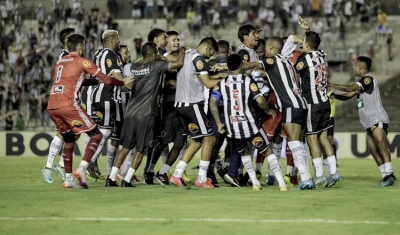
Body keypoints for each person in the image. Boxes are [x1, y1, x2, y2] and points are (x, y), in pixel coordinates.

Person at [46, 34, 132, 189]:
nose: (84, 49)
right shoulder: (82, 61)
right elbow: (108, 80)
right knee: (97, 134)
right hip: (69, 104)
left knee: (69, 139)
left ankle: (68, 179)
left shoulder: (61, 61)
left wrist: (95, 81)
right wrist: (123, 82)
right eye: (83, 46)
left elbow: (78, 80)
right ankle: (83, 167)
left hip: (52, 104)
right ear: (79, 46)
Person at [105, 42, 185, 187]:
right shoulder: (156, 66)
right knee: (141, 149)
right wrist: (183, 50)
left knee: (126, 147)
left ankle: (111, 178)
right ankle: (127, 180)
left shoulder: (134, 67)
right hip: (146, 114)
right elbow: (179, 63)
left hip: (130, 113)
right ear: (154, 54)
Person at [209, 54, 288, 191]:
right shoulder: (248, 81)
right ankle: (282, 184)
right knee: (267, 151)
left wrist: (218, 122)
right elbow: (260, 100)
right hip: (250, 126)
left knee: (244, 152)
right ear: (241, 65)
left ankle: (255, 183)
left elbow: (212, 102)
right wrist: (269, 110)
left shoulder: (221, 84)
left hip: (233, 128)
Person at [329, 56, 396, 187]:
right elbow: (349, 95)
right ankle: (385, 176)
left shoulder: (368, 79)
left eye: (355, 66)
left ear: (360, 67)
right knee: (372, 149)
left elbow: (350, 88)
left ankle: (390, 174)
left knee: (381, 145)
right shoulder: (361, 83)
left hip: (377, 118)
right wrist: (335, 95)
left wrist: (332, 85)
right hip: (368, 121)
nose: (353, 68)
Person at [169, 37, 221, 188]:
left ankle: (177, 174)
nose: (209, 57)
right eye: (210, 54)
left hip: (180, 104)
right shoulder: (198, 58)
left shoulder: (186, 54)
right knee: (210, 139)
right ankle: (202, 178)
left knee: (197, 141)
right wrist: (225, 80)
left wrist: (216, 74)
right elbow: (207, 83)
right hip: (192, 105)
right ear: (207, 49)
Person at [295, 31, 340, 188]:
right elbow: (314, 42)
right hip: (324, 102)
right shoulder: (322, 55)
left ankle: (319, 175)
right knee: (324, 138)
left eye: (303, 43)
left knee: (311, 139)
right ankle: (333, 172)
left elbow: (294, 73)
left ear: (306, 44)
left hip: (311, 104)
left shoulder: (303, 59)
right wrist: (307, 34)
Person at [86, 30, 131, 181]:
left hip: (96, 96)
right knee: (105, 133)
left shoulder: (98, 54)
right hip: (107, 97)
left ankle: (96, 164)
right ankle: (90, 161)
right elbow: (119, 78)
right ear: (112, 41)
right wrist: (132, 83)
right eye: (117, 40)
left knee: (105, 133)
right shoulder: (112, 55)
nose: (119, 42)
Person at [41, 27, 75, 184]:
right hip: (65, 99)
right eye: (72, 36)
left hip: (65, 97)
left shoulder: (65, 56)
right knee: (66, 133)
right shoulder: (67, 57)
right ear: (66, 40)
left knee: (71, 133)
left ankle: (55, 166)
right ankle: (51, 166)